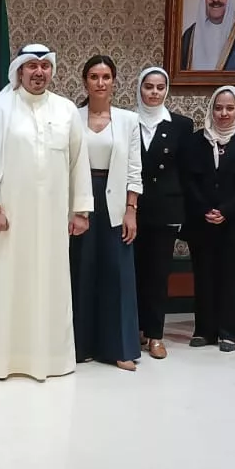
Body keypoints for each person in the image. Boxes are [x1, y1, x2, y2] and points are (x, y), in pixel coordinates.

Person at [0, 43, 92, 381]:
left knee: (50, 285)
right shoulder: (1, 109)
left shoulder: (66, 110)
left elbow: (78, 162)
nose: (39, 72)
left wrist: (80, 211)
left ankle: (51, 359)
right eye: (32, 66)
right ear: (20, 70)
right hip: (10, 219)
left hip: (53, 219)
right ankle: (2, 360)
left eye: (45, 66)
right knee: (7, 284)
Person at [71, 55, 143, 370]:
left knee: (117, 274)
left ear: (114, 81)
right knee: (81, 271)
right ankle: (80, 346)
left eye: (106, 77)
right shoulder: (72, 117)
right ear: (85, 81)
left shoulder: (128, 120)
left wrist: (131, 209)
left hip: (115, 201)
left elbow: (134, 168)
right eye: (94, 77)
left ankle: (120, 348)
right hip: (81, 201)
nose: (100, 83)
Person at [181, 86, 235, 351]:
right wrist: (206, 209)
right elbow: (188, 180)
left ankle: (230, 333)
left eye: (230, 108)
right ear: (211, 110)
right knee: (204, 277)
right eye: (218, 108)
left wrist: (226, 211)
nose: (224, 113)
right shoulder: (196, 141)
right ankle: (204, 331)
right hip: (201, 221)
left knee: (232, 279)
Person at [133, 65, 193, 359]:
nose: (154, 93)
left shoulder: (181, 125)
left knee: (158, 275)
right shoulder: (126, 121)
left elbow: (186, 172)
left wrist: (181, 213)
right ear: (139, 89)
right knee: (132, 273)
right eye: (149, 87)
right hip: (131, 208)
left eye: (160, 87)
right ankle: (134, 331)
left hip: (164, 210)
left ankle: (156, 334)